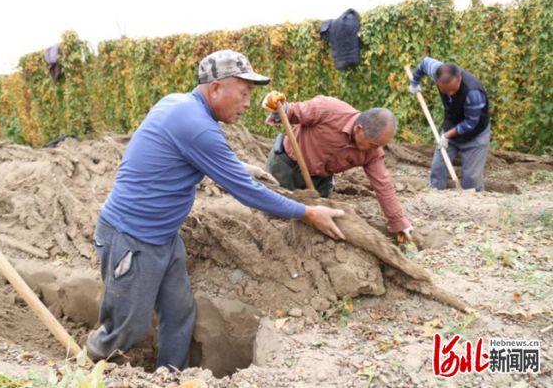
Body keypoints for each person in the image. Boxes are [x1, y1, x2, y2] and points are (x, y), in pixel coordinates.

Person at [86, 50, 346, 370]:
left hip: (164, 238)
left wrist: (242, 166)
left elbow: (194, 154)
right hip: (131, 239)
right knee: (126, 331)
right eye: (244, 92)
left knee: (180, 313)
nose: (249, 102)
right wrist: (307, 212)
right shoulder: (197, 125)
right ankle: (89, 365)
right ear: (216, 88)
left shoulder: (181, 106)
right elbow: (247, 194)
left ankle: (171, 375)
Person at [262, 92, 413, 239]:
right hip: (285, 167)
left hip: (319, 182)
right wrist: (277, 106)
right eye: (373, 144)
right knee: (269, 217)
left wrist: (398, 222)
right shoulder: (329, 109)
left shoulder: (373, 152)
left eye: (379, 146)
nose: (375, 149)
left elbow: (383, 184)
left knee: (311, 228)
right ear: (359, 129)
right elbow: (292, 111)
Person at [408, 57, 490, 191]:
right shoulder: (438, 71)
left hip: (475, 134)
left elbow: (470, 124)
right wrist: (414, 82)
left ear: (459, 79)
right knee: (438, 168)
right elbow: (424, 63)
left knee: (471, 180)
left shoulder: (473, 92)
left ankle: (471, 203)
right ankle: (436, 193)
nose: (450, 94)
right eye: (445, 91)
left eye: (453, 90)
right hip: (452, 124)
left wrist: (446, 136)